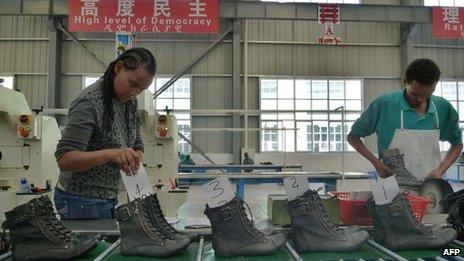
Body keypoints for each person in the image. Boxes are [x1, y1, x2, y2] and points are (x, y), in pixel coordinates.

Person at [54, 47, 157, 219]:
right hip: (79, 199)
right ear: (118, 67)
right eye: (133, 84)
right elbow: (65, 159)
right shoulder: (89, 102)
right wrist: (111, 154)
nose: (134, 93)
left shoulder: (129, 102)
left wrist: (135, 156)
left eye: (141, 89)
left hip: (108, 197)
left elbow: (136, 141)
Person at [348, 58, 463, 180]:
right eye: (415, 94)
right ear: (405, 82)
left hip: (430, 189)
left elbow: (457, 144)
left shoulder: (442, 108)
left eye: (428, 94)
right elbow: (353, 137)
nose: (421, 100)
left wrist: (440, 171)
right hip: (393, 186)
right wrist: (376, 162)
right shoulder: (384, 105)